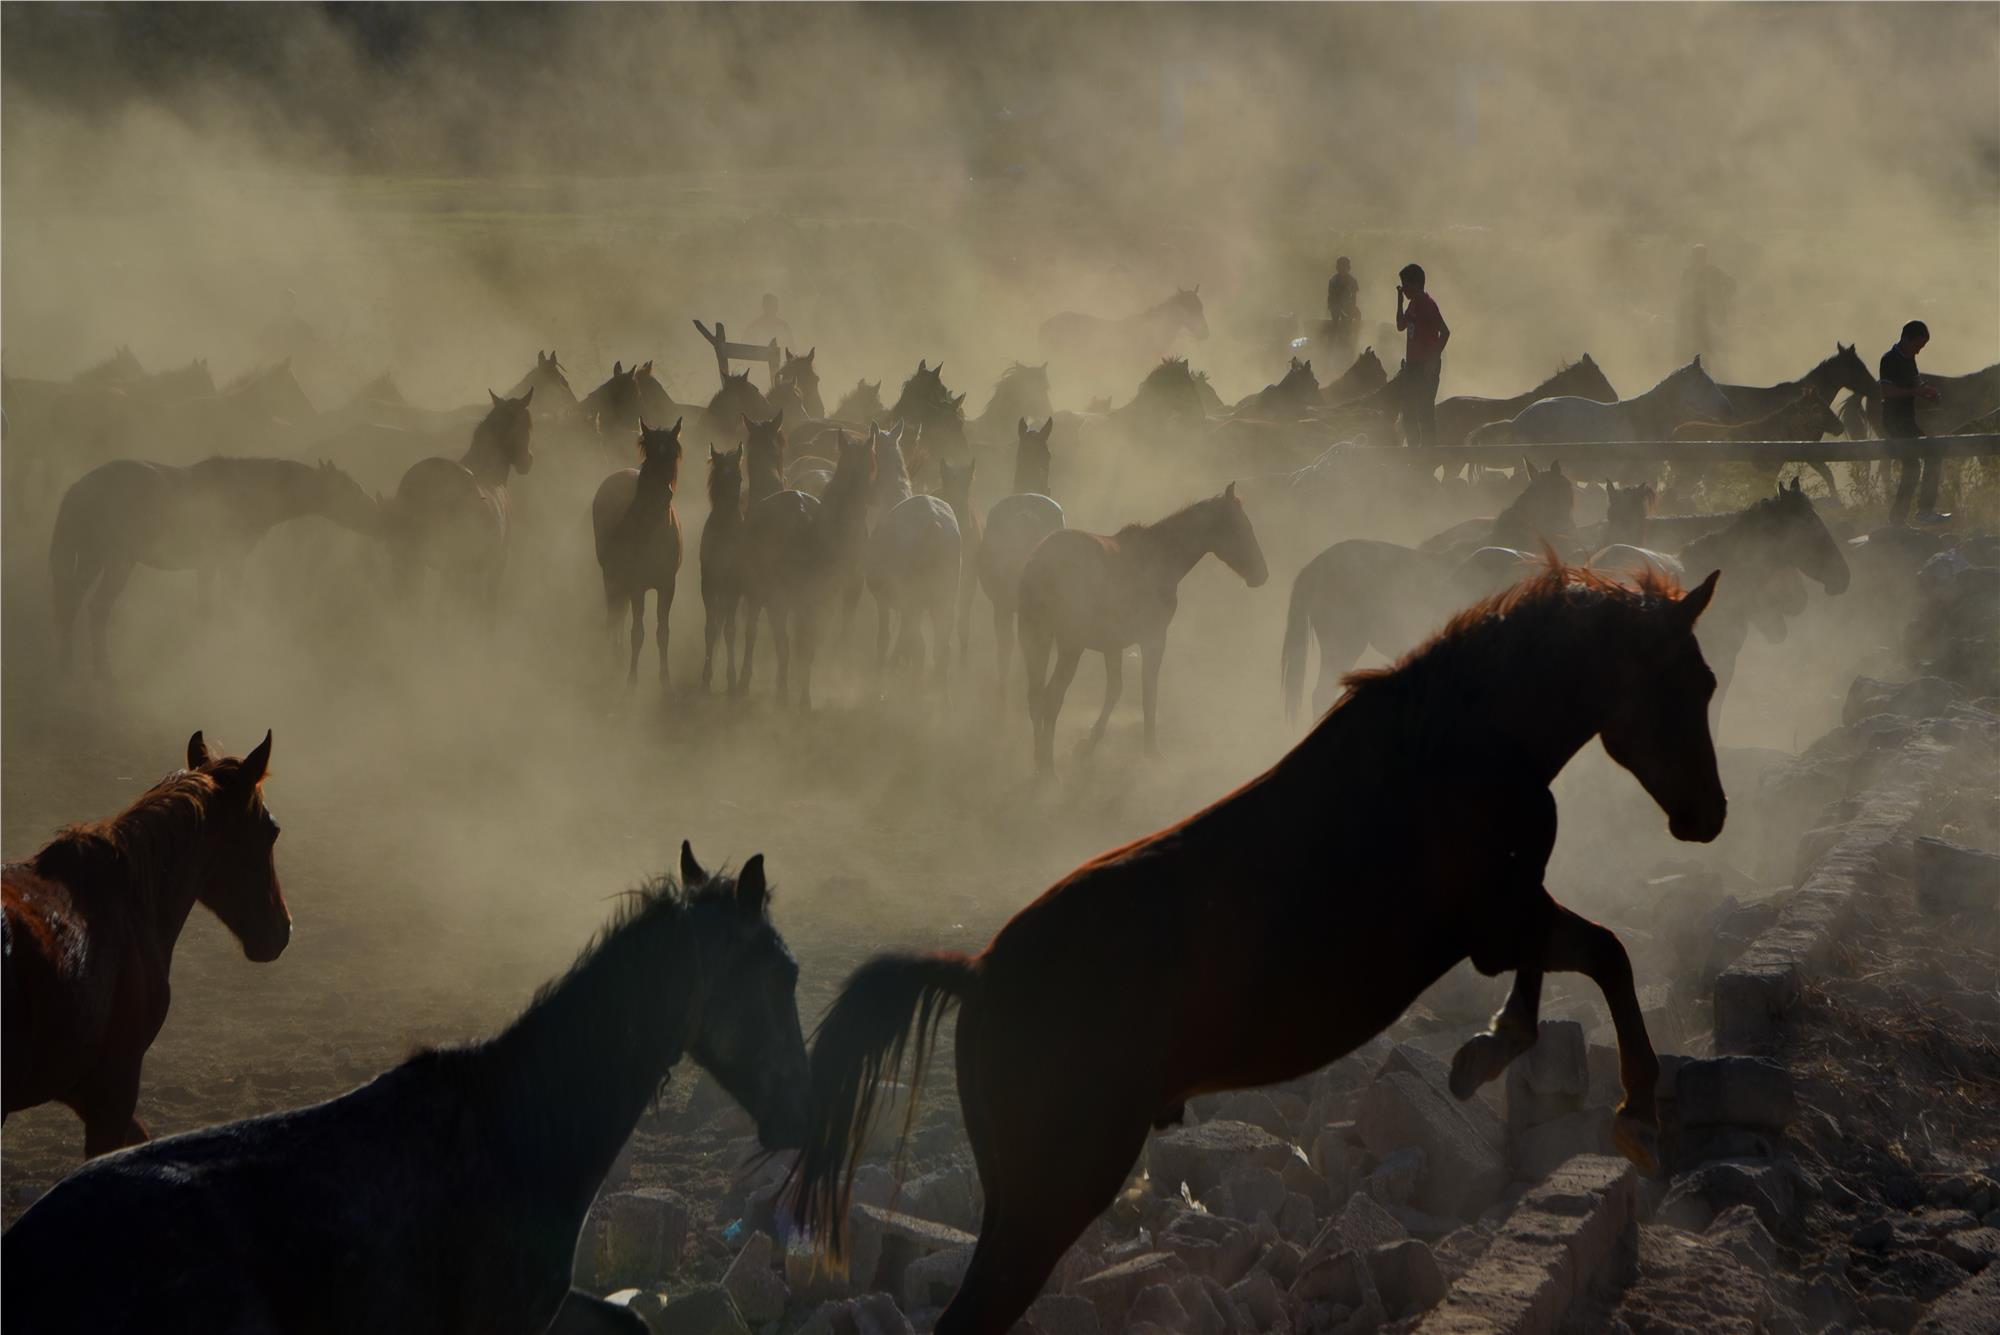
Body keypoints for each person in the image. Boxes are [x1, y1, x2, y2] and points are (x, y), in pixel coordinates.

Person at [1880, 319, 1944, 523]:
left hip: (1907, 420)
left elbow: (1916, 381)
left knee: (1919, 462)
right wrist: (1917, 391)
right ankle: (1920, 512)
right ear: (1906, 339)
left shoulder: (1909, 359)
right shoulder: (1889, 359)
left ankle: (1902, 517)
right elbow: (1886, 391)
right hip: (1894, 421)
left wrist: (1928, 392)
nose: (1918, 352)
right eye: (1917, 346)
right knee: (1922, 460)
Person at [1394, 263, 1449, 448]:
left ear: (1417, 283)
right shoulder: (1413, 303)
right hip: (1413, 365)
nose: (1404, 288)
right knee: (1408, 410)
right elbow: (1401, 325)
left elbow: (1445, 332)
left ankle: (1429, 451)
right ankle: (1414, 449)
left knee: (1425, 410)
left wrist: (1433, 359)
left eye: (1406, 284)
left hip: (1426, 366)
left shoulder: (1427, 304)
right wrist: (1400, 300)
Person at [1677, 244, 1736, 368]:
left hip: (1712, 315)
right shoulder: (1688, 273)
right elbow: (1683, 294)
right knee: (1697, 346)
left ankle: (1715, 370)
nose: (1698, 259)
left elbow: (1731, 284)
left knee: (1713, 346)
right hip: (1695, 316)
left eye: (1701, 256)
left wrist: (1722, 299)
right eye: (1696, 256)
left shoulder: (1713, 271)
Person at [1324, 256, 1360, 365]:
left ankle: (1354, 337)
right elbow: (1332, 299)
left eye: (1345, 267)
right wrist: (1340, 310)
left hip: (1347, 307)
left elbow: (1354, 298)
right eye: (1340, 266)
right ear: (1337, 268)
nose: (1342, 269)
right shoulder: (1333, 281)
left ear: (1348, 268)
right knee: (1337, 319)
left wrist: (1352, 310)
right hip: (1336, 306)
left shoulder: (1352, 280)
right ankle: (1334, 340)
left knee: (1358, 315)